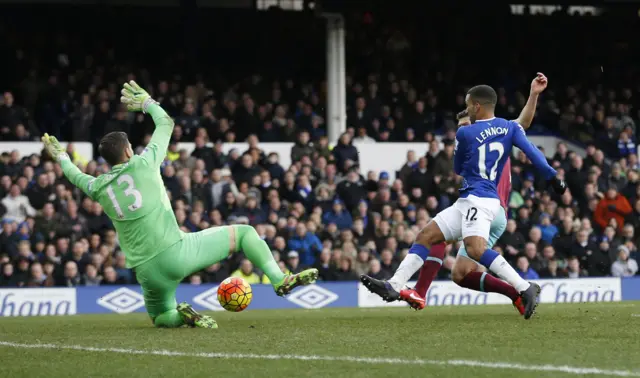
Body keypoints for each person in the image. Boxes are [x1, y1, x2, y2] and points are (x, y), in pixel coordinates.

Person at [42, 81, 319, 329]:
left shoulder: (98, 187)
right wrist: (148, 103)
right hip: (177, 252)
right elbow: (166, 124)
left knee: (161, 316)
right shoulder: (143, 163)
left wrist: (62, 157)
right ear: (128, 151)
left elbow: (76, 176)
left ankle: (181, 315)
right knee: (245, 233)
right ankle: (278, 279)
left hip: (147, 271)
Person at [360, 81, 566, 320]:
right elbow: (532, 152)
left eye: (469, 105)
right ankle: (395, 286)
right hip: (474, 201)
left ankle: (523, 287)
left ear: (477, 106)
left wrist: (461, 131)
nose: (467, 109)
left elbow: (458, 168)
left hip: (479, 200)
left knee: (475, 249)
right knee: (427, 236)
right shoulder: (509, 128)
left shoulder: (466, 131)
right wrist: (554, 179)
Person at [398, 74, 549, 314]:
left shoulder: (497, 134)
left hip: (487, 208)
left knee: (437, 236)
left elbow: (524, 122)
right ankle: (518, 295)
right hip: (490, 210)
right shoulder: (482, 143)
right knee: (460, 274)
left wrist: (533, 94)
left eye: (465, 127)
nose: (463, 134)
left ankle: (420, 292)